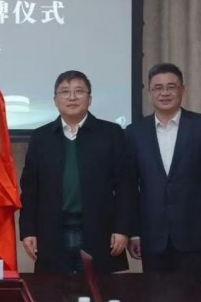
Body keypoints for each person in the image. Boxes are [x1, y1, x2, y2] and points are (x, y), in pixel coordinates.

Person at [19, 70, 135, 273]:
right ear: (55, 100)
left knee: (98, 290)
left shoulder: (111, 134)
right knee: (54, 290)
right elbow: (30, 190)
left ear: (90, 99)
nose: (72, 97)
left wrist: (122, 229)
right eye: (65, 92)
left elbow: (126, 186)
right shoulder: (41, 137)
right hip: (52, 233)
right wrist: (28, 231)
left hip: (99, 232)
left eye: (79, 91)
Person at [126, 63, 201, 284]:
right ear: (150, 92)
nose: (164, 93)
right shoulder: (135, 132)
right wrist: (134, 232)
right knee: (154, 297)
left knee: (191, 297)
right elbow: (130, 187)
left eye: (171, 87)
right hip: (151, 234)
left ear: (182, 90)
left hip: (192, 232)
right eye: (158, 88)